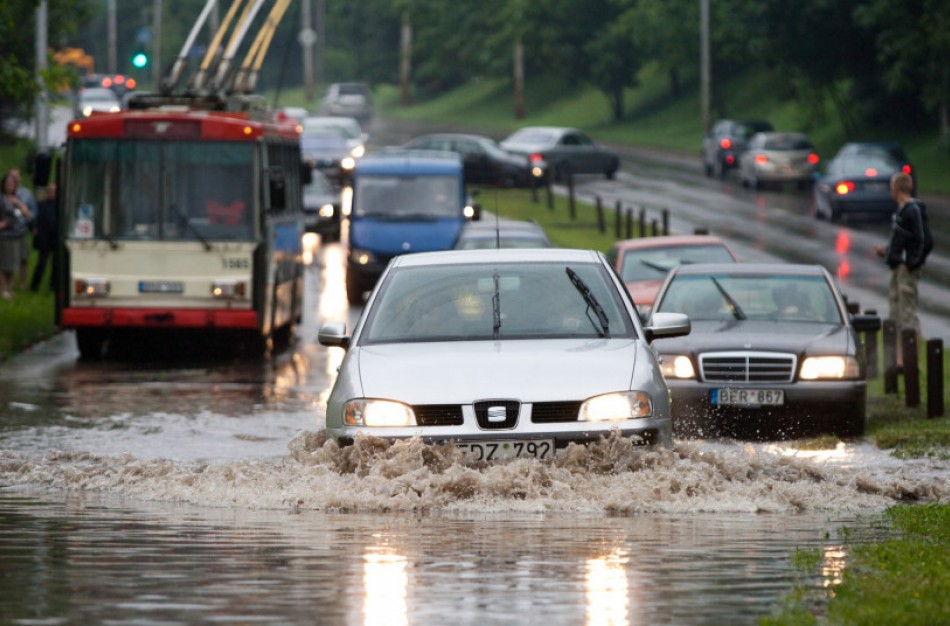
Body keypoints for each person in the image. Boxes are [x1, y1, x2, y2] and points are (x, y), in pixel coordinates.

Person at [875, 172, 928, 354]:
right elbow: (902, 239)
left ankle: (911, 357)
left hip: (906, 268)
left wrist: (910, 262)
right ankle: (899, 357)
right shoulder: (901, 210)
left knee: (907, 312)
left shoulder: (912, 210)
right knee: (895, 310)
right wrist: (888, 251)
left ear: (897, 189)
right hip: (897, 265)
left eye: (892, 187)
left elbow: (921, 240)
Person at [0, 171, 32, 299]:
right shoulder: (1, 198)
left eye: (12, 184)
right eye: (7, 183)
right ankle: (3, 290)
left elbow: (27, 214)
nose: (9, 185)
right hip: (3, 236)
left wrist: (17, 203)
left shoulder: (16, 199)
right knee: (3, 264)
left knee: (13, 264)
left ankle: (10, 289)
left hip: (16, 235)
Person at [9, 169, 36, 290]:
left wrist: (27, 220)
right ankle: (8, 285)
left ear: (20, 178)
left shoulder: (27, 194)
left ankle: (22, 284)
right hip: (7, 231)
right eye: (12, 177)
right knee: (7, 259)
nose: (14, 179)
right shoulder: (4, 193)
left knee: (23, 258)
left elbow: (34, 212)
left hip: (22, 230)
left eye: (16, 177)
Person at [30, 183, 58, 292]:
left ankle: (53, 286)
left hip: (55, 238)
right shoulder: (40, 204)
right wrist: (33, 228)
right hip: (44, 238)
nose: (52, 193)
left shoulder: (60, 206)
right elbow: (33, 217)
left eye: (54, 191)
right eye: (50, 191)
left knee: (56, 265)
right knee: (42, 263)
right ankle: (34, 286)